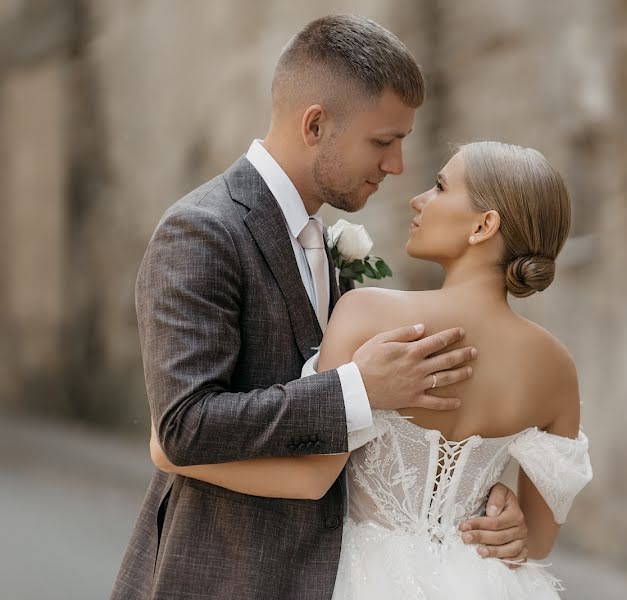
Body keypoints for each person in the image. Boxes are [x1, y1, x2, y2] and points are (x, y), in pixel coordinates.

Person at [112, 15, 528, 600]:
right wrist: (357, 389)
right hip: (223, 579)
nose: (397, 166)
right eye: (383, 141)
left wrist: (483, 500)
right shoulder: (202, 231)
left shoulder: (322, 241)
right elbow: (185, 425)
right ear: (315, 125)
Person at [150, 141, 594, 599]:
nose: (418, 199)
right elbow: (534, 544)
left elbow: (310, 477)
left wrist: (175, 453)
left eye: (440, 187)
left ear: (484, 225)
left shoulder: (368, 315)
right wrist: (509, 523)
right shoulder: (556, 367)